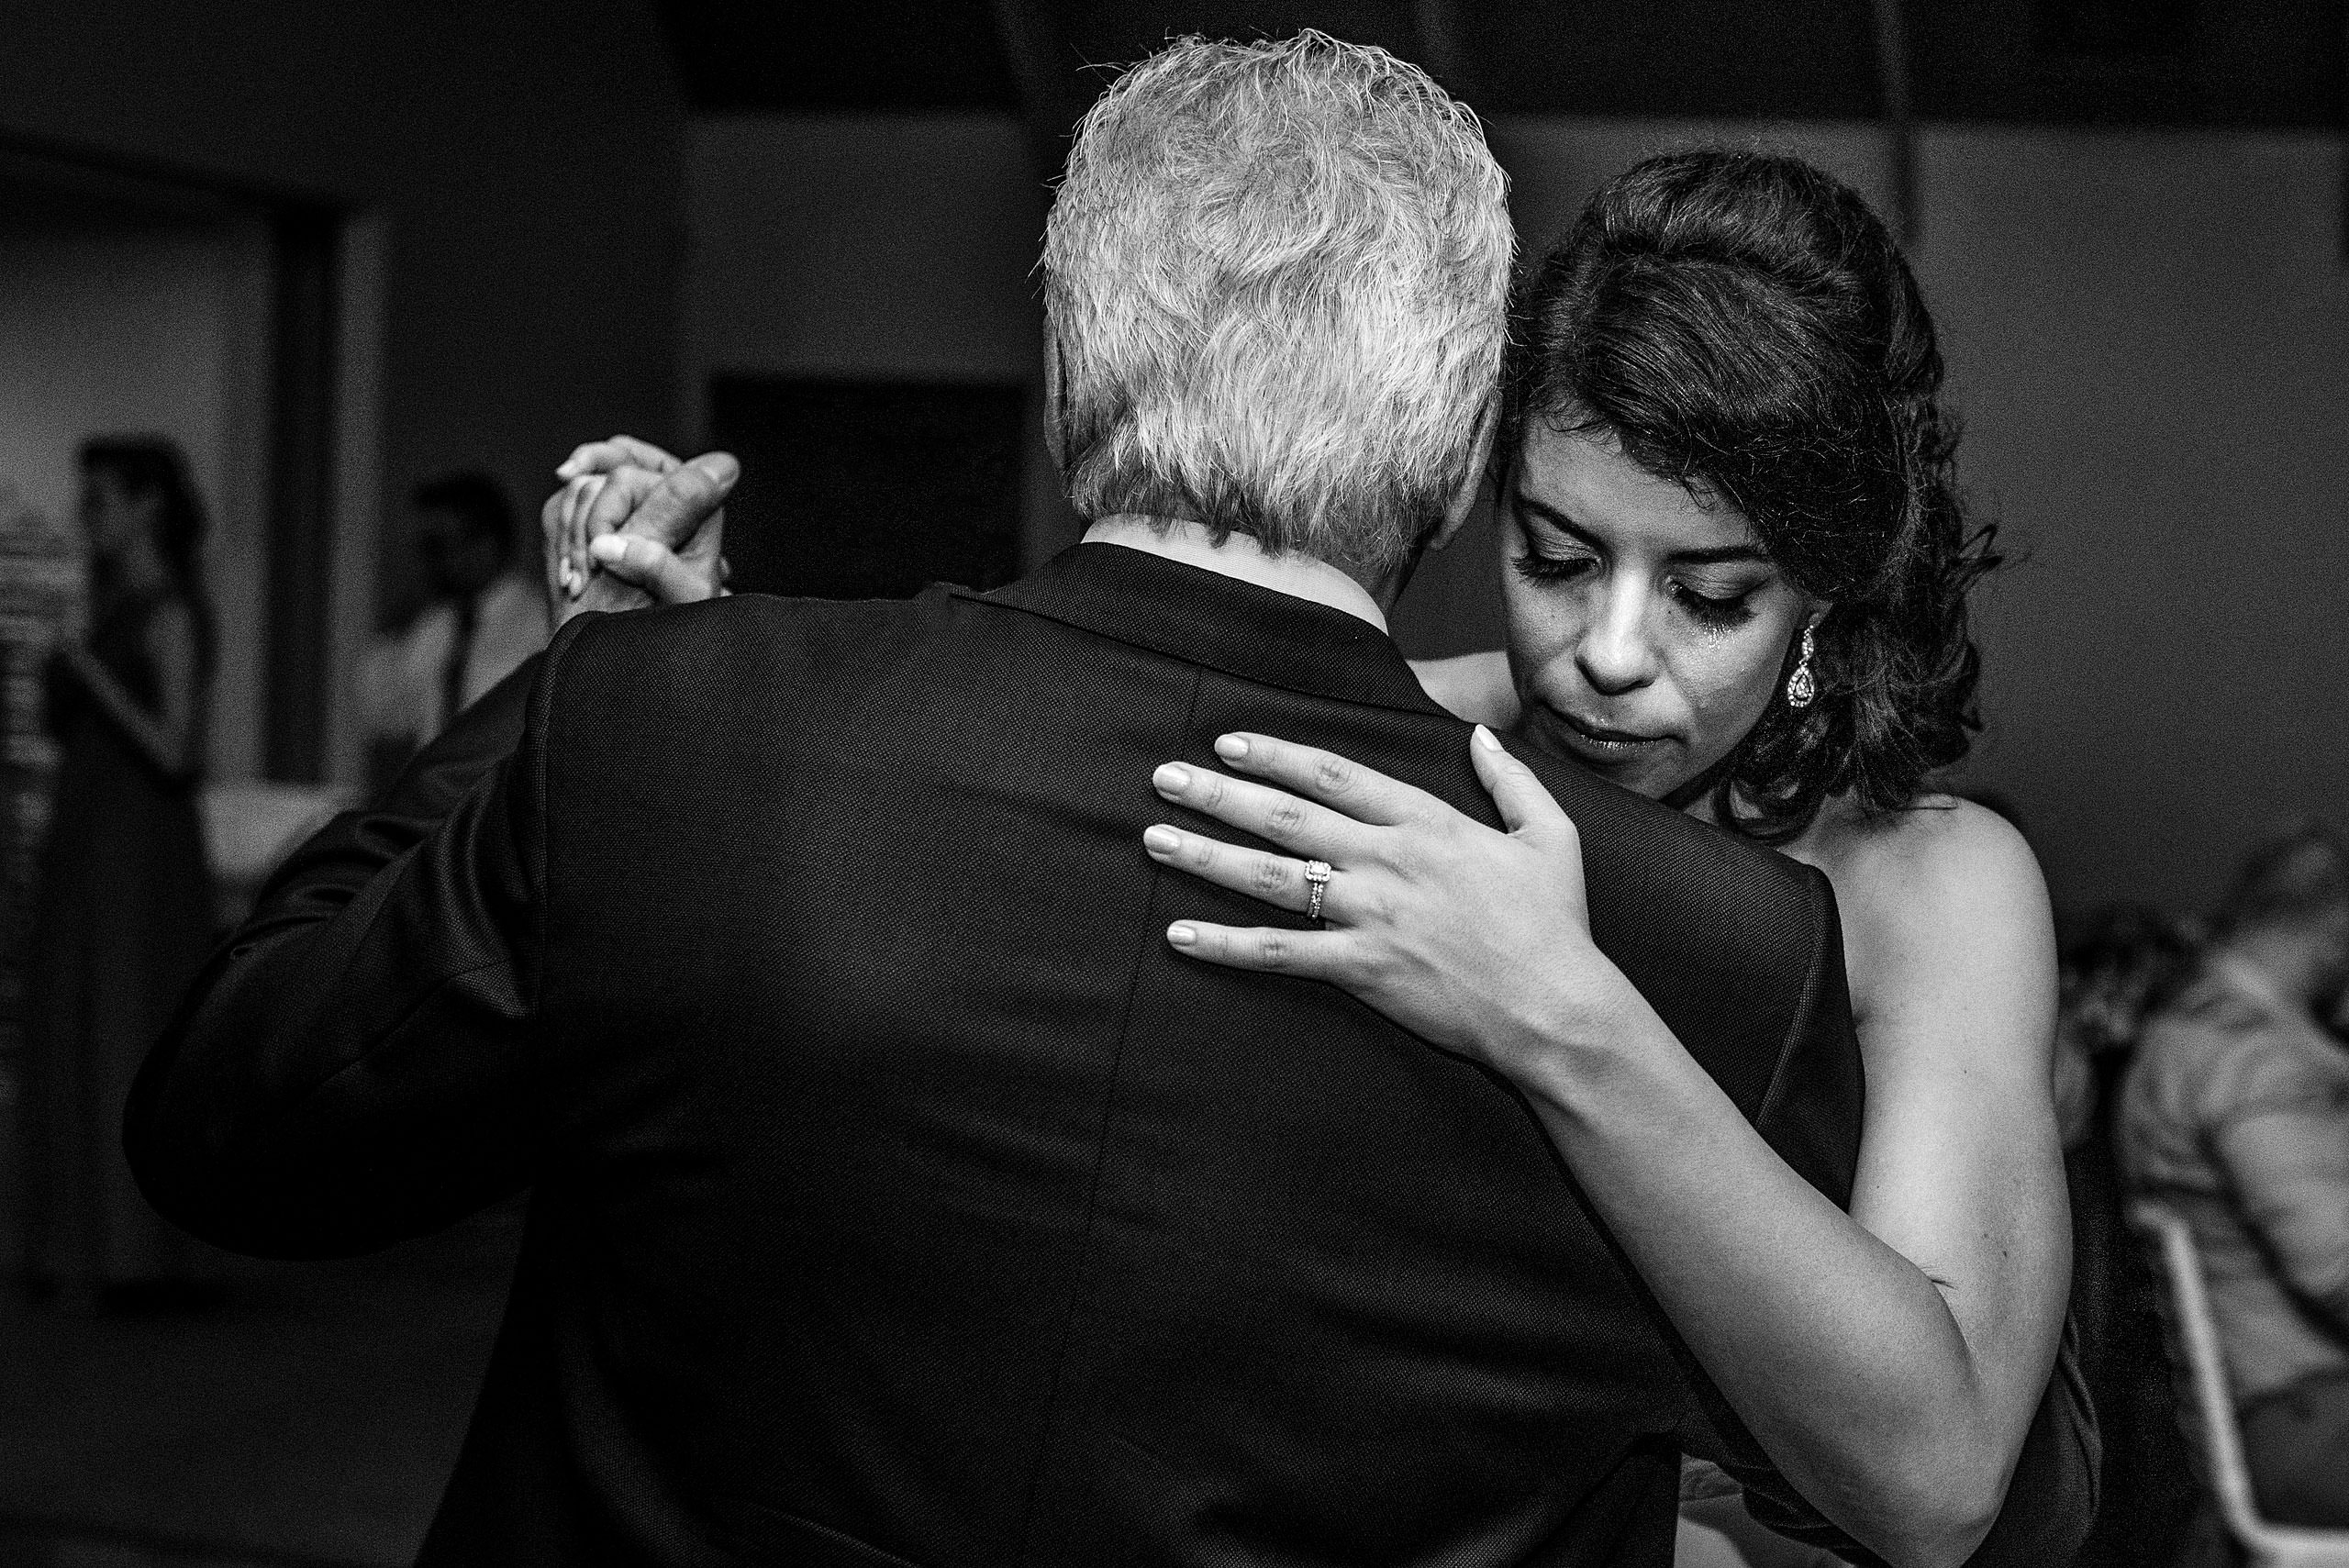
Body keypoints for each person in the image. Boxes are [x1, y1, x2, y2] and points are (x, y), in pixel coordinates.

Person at [129, 38, 1873, 1567]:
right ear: (1470, 429)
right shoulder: (1711, 945)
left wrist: (582, 677)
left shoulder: (670, 733)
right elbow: (1870, 1487)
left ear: (1067, 374)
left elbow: (235, 1120)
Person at [1123, 151, 2096, 1564]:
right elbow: (1075, 749)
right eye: (1559, 557)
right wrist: (702, 649)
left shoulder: (1934, 882)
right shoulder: (1418, 733)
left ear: (1823, 588)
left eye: (1710, 595)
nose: (1612, 655)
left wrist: (1559, 1016)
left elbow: (1936, 1480)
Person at [23, 436, 218, 1311]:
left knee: (124, 1031)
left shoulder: (170, 608)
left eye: (99, 500)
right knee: (67, 1027)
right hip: (85, 832)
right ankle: (75, 1251)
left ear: (146, 505)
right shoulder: (104, 605)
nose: (85, 518)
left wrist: (93, 674)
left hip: (140, 848)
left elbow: (177, 749)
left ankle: (136, 1256)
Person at [2121, 823, 2349, 1529]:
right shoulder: (2247, 1058)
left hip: (2285, 1408)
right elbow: (2337, 1267)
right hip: (2310, 1413)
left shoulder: (2183, 1031)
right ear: (2336, 927)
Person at [356, 471, 547, 786]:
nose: (449, 558)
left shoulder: (539, 621)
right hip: (434, 807)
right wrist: (397, 625)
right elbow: (379, 718)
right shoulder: (435, 625)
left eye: (461, 540)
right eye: (434, 547)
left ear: (494, 539)